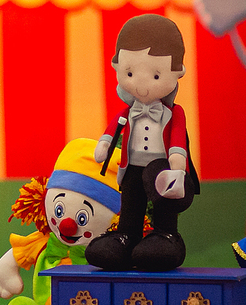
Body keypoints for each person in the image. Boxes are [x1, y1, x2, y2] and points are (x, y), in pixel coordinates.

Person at [85, 14, 199, 271]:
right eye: (130, 73)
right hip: (132, 168)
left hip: (162, 169)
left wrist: (177, 160)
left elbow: (177, 136)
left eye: (156, 76)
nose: (143, 85)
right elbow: (113, 130)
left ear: (178, 71)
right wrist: (104, 145)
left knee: (164, 203)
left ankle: (165, 235)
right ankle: (126, 235)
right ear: (116, 65)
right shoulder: (128, 111)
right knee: (131, 203)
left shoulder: (174, 113)